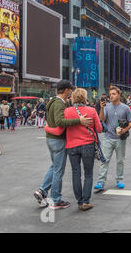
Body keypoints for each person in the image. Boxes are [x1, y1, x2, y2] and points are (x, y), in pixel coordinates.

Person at [33, 80, 93, 210]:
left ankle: (42, 190)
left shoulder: (51, 102)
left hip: (51, 138)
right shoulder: (59, 103)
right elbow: (60, 121)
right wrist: (80, 120)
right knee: (58, 170)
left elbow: (52, 121)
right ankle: (55, 200)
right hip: (58, 139)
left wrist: (47, 128)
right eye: (70, 90)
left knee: (54, 166)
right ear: (66, 90)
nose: (71, 92)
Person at [44, 88, 102, 211]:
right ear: (85, 98)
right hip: (88, 145)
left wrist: (47, 128)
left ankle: (79, 200)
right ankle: (85, 202)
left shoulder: (67, 111)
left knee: (76, 173)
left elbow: (60, 130)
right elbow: (100, 129)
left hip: (72, 146)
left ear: (73, 98)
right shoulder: (91, 110)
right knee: (88, 174)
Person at [94, 86, 131, 191]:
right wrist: (102, 108)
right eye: (110, 94)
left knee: (120, 160)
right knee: (105, 160)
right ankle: (101, 182)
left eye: (113, 94)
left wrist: (125, 130)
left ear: (119, 95)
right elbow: (101, 119)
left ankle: (119, 179)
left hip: (121, 138)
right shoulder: (106, 107)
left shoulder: (125, 108)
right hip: (108, 137)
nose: (111, 96)